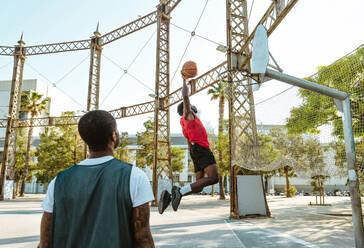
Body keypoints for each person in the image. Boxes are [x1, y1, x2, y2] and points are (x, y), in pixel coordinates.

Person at [38, 110, 155, 248]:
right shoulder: (134, 176)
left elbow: (45, 241)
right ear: (113, 136)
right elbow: (143, 239)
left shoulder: (59, 181)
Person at [158, 73, 219, 214]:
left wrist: (194, 153)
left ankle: (171, 195)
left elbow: (188, 140)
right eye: (190, 106)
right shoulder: (189, 116)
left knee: (198, 186)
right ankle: (178, 191)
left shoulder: (184, 123)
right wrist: (184, 81)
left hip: (194, 150)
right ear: (187, 109)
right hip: (202, 149)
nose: (192, 106)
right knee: (214, 178)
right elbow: (185, 97)